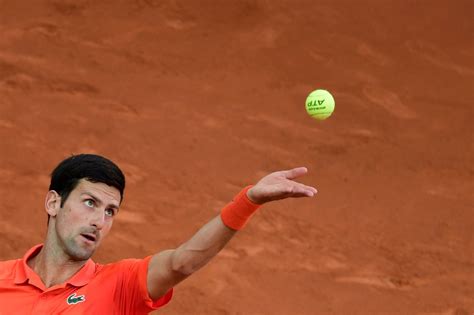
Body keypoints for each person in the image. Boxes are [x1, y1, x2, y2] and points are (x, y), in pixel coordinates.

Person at [0, 154, 317, 314]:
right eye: (89, 203)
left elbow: (181, 263)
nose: (99, 220)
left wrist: (248, 201)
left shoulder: (119, 285)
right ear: (54, 203)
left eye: (110, 211)